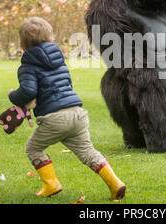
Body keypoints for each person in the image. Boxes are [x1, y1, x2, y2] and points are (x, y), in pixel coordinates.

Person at [8, 17, 126, 199]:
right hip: (77, 113)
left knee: (33, 148)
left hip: (55, 118)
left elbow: (28, 91)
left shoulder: (28, 66)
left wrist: (13, 96)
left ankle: (51, 184)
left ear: (23, 45)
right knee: (88, 152)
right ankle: (115, 183)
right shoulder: (59, 60)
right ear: (50, 38)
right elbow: (67, 83)